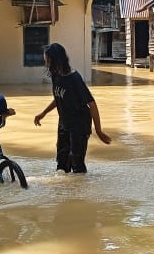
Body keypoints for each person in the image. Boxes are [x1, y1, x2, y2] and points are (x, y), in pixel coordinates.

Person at [34, 43, 111, 173]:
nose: (46, 64)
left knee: (77, 162)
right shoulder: (55, 75)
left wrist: (98, 130)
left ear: (56, 60)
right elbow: (59, 97)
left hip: (79, 124)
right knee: (61, 164)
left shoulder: (74, 78)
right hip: (64, 123)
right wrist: (43, 113)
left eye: (47, 60)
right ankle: (65, 192)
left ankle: (81, 191)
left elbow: (91, 104)